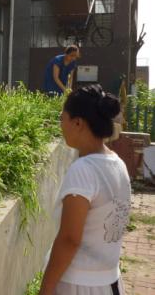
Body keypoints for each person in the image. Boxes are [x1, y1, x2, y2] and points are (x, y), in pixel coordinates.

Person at [39, 84, 130, 295]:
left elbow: (70, 239)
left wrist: (45, 289)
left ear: (78, 122)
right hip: (109, 281)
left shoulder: (83, 170)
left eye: (62, 118)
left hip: (79, 285)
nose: (60, 125)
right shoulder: (118, 164)